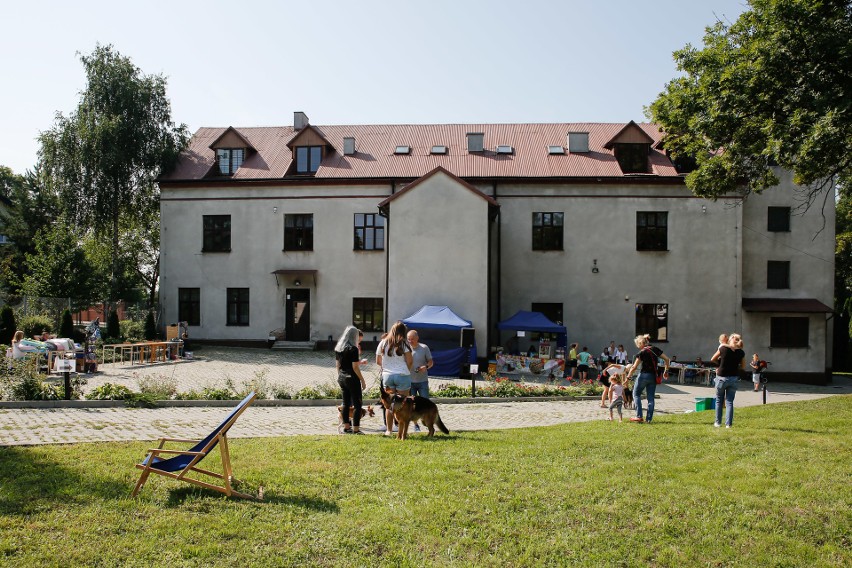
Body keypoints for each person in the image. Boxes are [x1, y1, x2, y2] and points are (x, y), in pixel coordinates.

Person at [376, 321, 413, 436]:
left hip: (387, 375)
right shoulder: (405, 343)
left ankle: (389, 430)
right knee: (404, 405)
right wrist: (405, 369)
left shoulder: (382, 343)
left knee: (389, 405)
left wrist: (387, 367)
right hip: (402, 375)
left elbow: (378, 361)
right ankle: (402, 431)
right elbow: (410, 361)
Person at [626, 334, 670, 423]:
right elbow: (667, 359)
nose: (638, 347)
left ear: (641, 343)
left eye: (638, 345)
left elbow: (634, 367)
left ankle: (639, 416)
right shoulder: (655, 349)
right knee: (650, 398)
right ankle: (648, 420)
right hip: (653, 377)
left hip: (643, 375)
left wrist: (628, 377)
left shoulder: (641, 352)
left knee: (636, 394)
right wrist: (666, 371)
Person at [335, 325, 367, 434]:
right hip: (352, 378)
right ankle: (356, 429)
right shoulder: (353, 349)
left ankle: (347, 427)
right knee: (357, 404)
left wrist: (340, 376)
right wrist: (362, 380)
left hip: (342, 377)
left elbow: (338, 365)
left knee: (345, 403)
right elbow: (355, 367)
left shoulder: (339, 348)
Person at [711, 333, 745, 428]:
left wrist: (720, 363)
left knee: (719, 401)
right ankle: (728, 424)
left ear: (730, 339)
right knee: (729, 402)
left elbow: (712, 359)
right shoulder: (741, 352)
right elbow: (743, 366)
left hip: (722, 377)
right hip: (734, 378)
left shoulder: (723, 349)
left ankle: (717, 423)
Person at [407, 329, 433, 432]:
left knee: (425, 403)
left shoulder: (424, 348)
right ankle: (416, 425)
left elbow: (431, 362)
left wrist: (426, 366)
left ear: (417, 338)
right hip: (410, 381)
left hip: (422, 381)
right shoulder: (406, 349)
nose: (410, 341)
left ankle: (427, 423)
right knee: (411, 405)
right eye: (408, 339)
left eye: (412, 339)